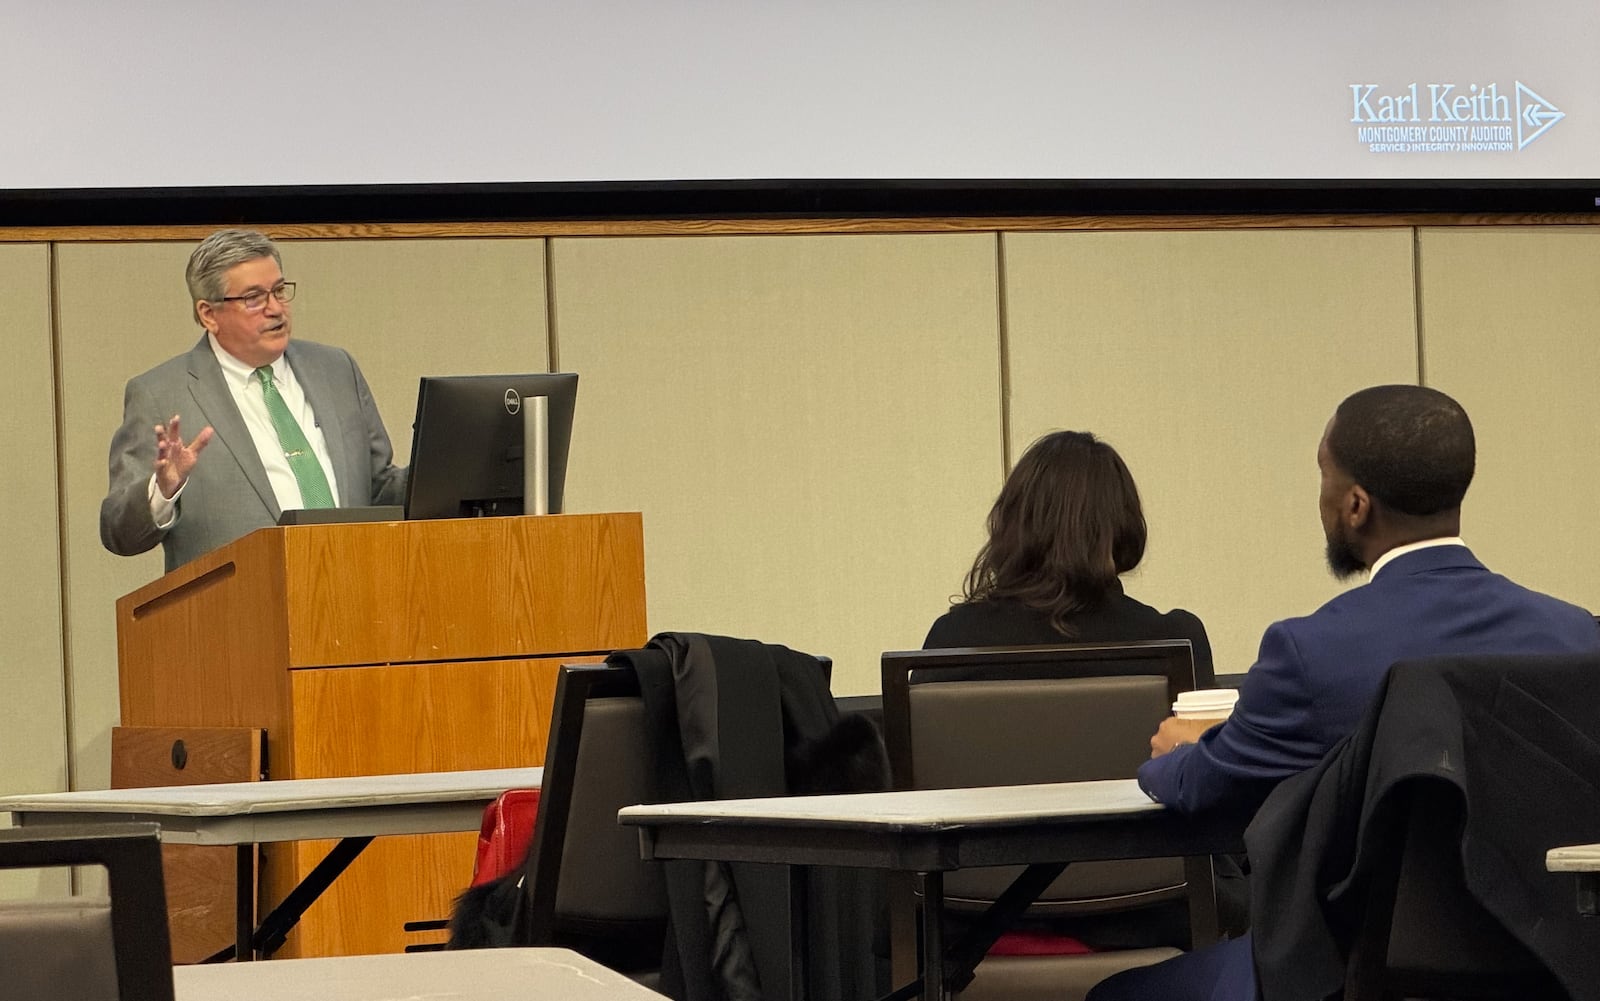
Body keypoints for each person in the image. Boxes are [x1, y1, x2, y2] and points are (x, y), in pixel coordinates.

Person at [1087, 385, 1600, 1001]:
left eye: (1325, 478)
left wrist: (1179, 752)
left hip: (1350, 974)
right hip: (1550, 971)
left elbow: (1205, 788)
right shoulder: (1580, 638)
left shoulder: (1310, 653)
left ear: (1356, 505)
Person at [100, 229, 406, 572]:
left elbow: (377, 490)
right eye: (254, 298)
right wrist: (162, 491)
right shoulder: (161, 394)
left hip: (353, 590)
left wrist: (449, 463)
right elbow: (117, 532)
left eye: (278, 291)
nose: (275, 309)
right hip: (239, 610)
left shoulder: (336, 369)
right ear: (209, 315)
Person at [925, 429, 1214, 687]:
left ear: (1011, 521)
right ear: (1122, 526)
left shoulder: (953, 641)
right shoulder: (1176, 642)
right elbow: (1203, 746)